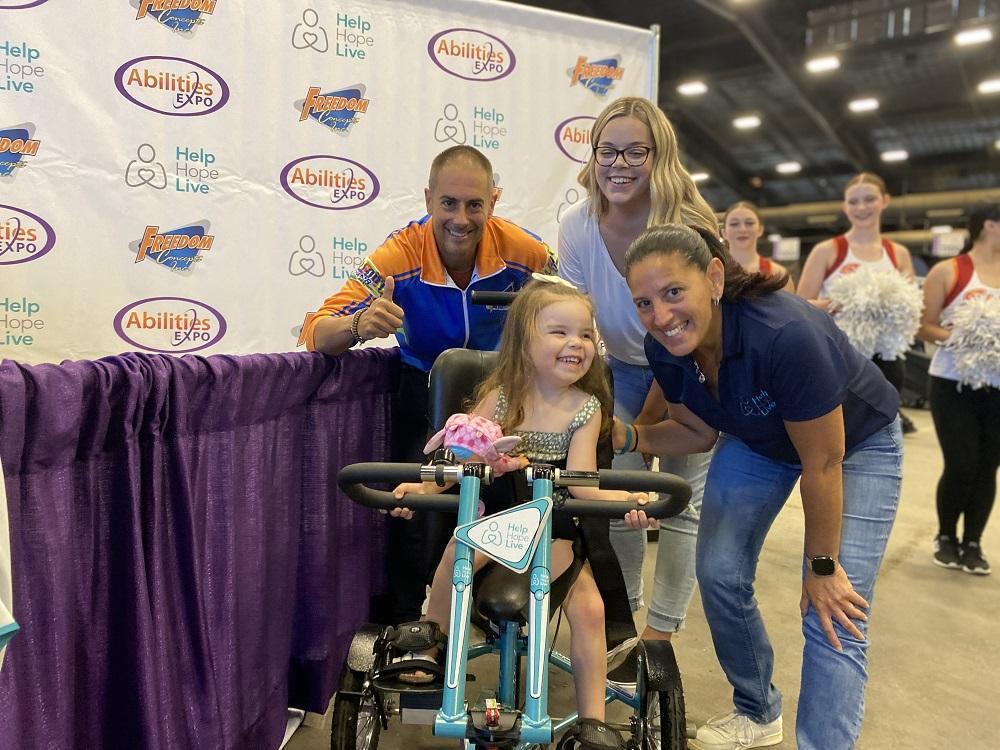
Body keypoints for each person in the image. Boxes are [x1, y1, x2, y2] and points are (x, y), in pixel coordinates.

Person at [621, 224, 902, 750]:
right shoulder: (665, 346)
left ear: (713, 277)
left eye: (673, 293)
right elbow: (697, 431)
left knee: (832, 606)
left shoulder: (784, 335)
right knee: (720, 570)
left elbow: (823, 459)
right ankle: (757, 710)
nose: (660, 316)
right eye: (643, 302)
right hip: (760, 439)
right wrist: (628, 433)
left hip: (856, 445)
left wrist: (821, 568)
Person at [301, 145, 556, 625]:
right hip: (426, 390)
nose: (461, 218)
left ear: (493, 202)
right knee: (413, 508)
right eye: (448, 203)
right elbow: (316, 330)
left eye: (474, 205)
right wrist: (360, 325)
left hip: (503, 397)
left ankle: (494, 614)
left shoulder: (526, 251)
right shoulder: (397, 254)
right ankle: (407, 626)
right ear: (427, 199)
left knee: (507, 505)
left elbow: (574, 311)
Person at [389, 279, 655, 730]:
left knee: (589, 609)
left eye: (586, 334)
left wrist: (627, 500)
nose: (577, 343)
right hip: (498, 523)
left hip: (556, 531)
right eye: (559, 332)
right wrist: (425, 489)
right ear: (523, 341)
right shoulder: (502, 397)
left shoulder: (586, 409)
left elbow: (587, 486)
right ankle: (429, 646)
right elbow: (461, 455)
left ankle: (592, 725)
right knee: (457, 553)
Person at [557, 96, 715, 683]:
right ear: (593, 155)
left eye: (635, 151)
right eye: (607, 150)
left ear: (659, 157)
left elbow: (690, 333)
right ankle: (623, 623)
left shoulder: (689, 224)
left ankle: (659, 636)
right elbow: (582, 318)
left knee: (678, 499)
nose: (619, 163)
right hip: (618, 366)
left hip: (690, 365)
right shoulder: (576, 224)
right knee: (618, 493)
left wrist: (650, 428)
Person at [796, 172, 918, 434]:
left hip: (887, 360)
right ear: (844, 206)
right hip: (840, 357)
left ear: (885, 201)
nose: (861, 208)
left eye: (869, 199)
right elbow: (801, 305)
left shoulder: (899, 253)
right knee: (840, 436)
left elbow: (911, 309)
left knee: (883, 434)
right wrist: (840, 304)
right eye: (853, 202)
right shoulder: (828, 250)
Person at [917, 203, 1000, 575]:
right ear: (990, 225)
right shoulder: (949, 271)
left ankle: (974, 543)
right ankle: (946, 536)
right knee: (962, 462)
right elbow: (925, 326)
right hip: (953, 383)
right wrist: (968, 337)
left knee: (988, 466)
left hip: (997, 386)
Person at [721, 202, 794, 292]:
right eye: (734, 224)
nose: (742, 229)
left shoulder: (779, 274)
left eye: (749, 223)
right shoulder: (714, 271)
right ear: (724, 233)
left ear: (760, 229)